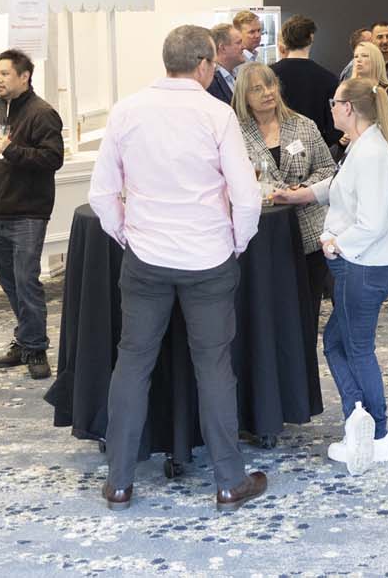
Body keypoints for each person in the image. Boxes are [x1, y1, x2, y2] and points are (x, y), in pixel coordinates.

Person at [90, 25, 267, 511]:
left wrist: (126, 234)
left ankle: (119, 482)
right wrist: (236, 243)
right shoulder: (216, 114)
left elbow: (102, 193)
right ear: (206, 65)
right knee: (214, 367)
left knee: (132, 364)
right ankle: (229, 482)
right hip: (208, 258)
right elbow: (246, 195)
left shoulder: (127, 110)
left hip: (146, 258)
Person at [273, 77, 388, 472]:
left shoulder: (370, 154)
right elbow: (340, 186)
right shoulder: (364, 147)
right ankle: (360, 419)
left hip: (366, 265)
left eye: (334, 102)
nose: (331, 108)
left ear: (348, 108)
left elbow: (371, 223)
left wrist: (335, 243)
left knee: (354, 347)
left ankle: (376, 434)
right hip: (371, 262)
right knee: (337, 342)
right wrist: (301, 195)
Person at [0, 48, 65, 381]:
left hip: (28, 214)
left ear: (24, 76)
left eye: (5, 73)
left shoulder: (42, 113)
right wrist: (4, 151)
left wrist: (13, 150)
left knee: (26, 282)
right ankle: (25, 338)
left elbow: (53, 159)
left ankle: (36, 347)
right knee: (10, 283)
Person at [233, 62, 338, 310]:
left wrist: (298, 192)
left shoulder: (303, 125)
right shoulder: (234, 133)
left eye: (270, 85)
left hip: (308, 230)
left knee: (307, 304)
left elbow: (327, 169)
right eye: (257, 89)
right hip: (262, 233)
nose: (267, 92)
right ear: (244, 97)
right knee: (270, 306)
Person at [270, 14, 341, 150]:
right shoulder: (328, 78)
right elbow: (334, 128)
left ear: (285, 39)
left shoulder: (269, 75)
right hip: (314, 149)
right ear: (311, 38)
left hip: (275, 148)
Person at [349, 40, 388, 148]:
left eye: (364, 56)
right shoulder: (349, 91)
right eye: (356, 56)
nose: (358, 60)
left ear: (375, 60)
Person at [207, 22, 243, 103]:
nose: (243, 46)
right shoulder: (210, 82)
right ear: (223, 48)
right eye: (238, 43)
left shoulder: (237, 75)